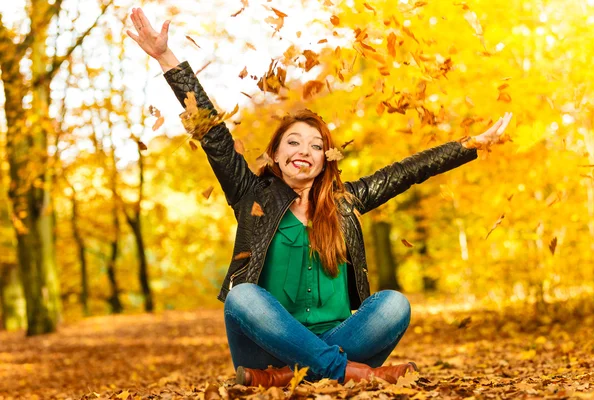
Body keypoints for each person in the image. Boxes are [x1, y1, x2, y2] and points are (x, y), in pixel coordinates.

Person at [127, 7, 513, 387]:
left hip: (343, 338)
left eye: (315, 146)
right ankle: (342, 371)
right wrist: (166, 57)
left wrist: (468, 145)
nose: (303, 151)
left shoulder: (345, 202)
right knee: (241, 295)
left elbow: (405, 173)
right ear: (276, 155)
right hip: (264, 346)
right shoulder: (251, 194)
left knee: (394, 304)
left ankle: (286, 378)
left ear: (324, 159)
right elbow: (212, 133)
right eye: (293, 142)